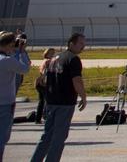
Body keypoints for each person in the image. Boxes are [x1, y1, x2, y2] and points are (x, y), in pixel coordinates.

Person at [32, 33, 87, 162]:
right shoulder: (73, 59)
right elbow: (77, 80)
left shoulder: (55, 58)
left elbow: (46, 78)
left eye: (84, 44)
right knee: (59, 138)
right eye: (80, 44)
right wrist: (83, 96)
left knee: (47, 136)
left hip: (51, 101)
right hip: (65, 102)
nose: (83, 47)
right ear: (71, 44)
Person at [0, 31, 31, 161]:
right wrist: (21, 52)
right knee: (2, 138)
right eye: (13, 45)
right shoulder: (7, 61)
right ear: (8, 45)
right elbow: (25, 68)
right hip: (5, 103)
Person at [33, 47, 56, 124]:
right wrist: (43, 81)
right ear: (47, 54)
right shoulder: (48, 61)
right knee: (48, 100)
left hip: (39, 82)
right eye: (52, 53)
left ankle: (38, 118)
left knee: (42, 101)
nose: (53, 55)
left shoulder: (44, 61)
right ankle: (46, 116)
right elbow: (44, 72)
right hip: (43, 83)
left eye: (54, 53)